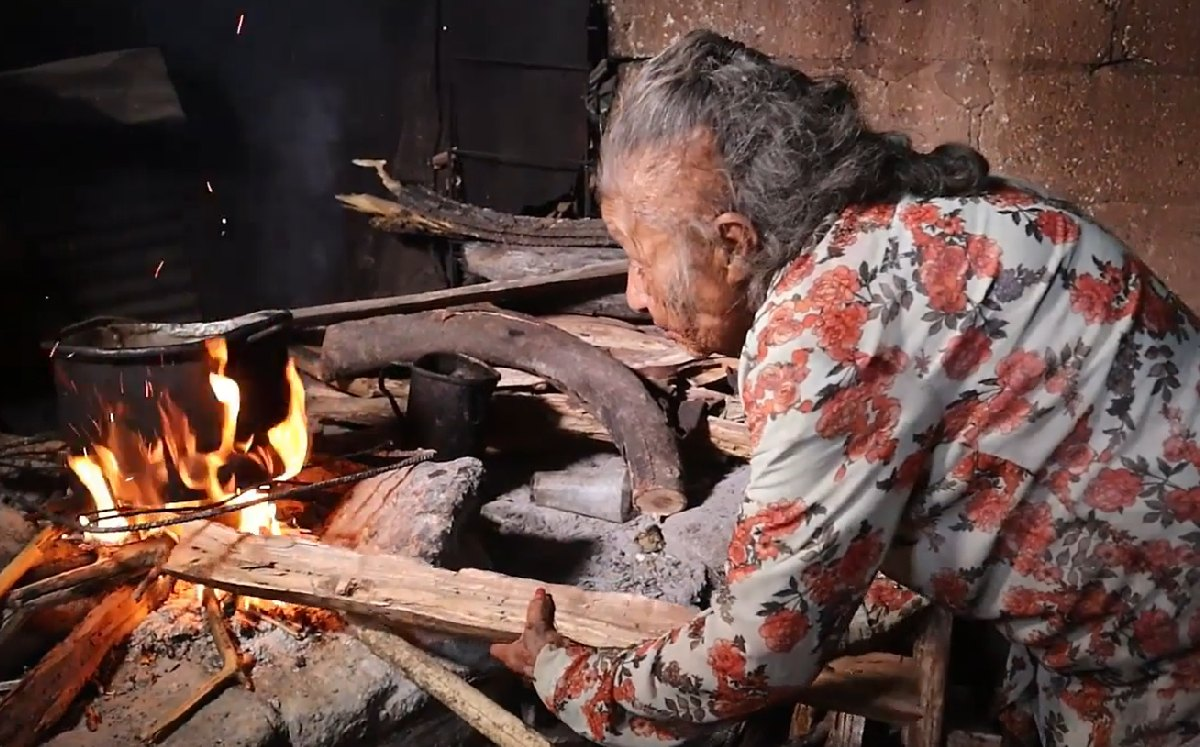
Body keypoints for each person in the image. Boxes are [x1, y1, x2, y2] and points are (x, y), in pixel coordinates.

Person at [489, 29, 1200, 747]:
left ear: (734, 244)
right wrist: (808, 593)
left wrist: (570, 676)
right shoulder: (922, 208)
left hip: (1165, 641)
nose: (635, 294)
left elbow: (760, 654)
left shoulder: (822, 328)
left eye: (641, 258)